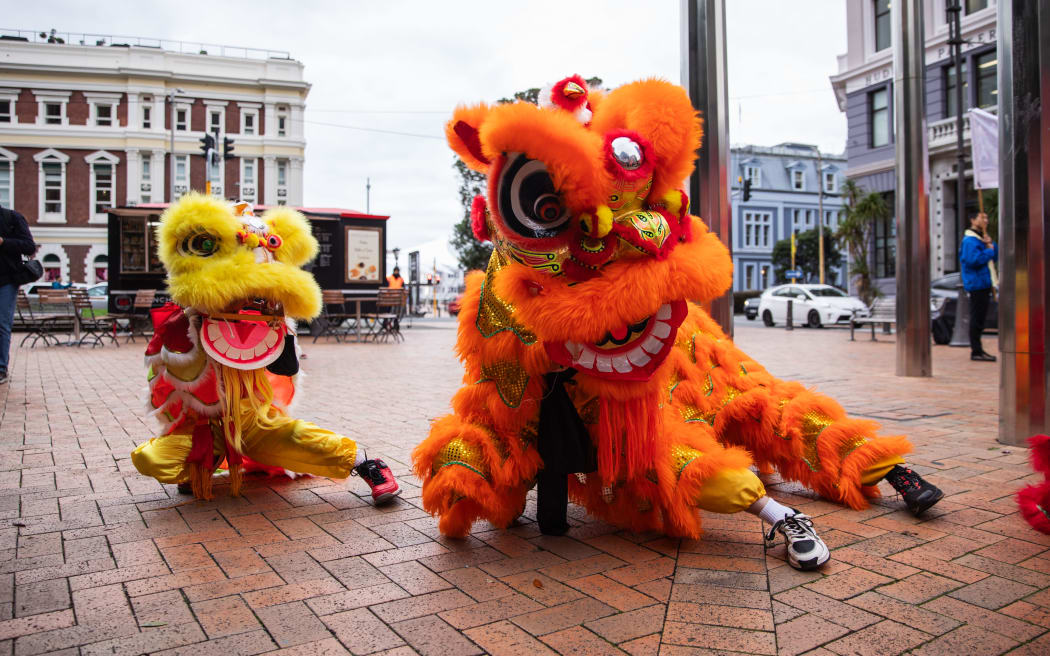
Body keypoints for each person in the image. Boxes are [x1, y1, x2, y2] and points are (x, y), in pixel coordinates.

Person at [0, 206, 37, 385]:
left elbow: (29, 247)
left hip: (6, 281)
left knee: (2, 324)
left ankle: (1, 368)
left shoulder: (12, 217)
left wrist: (3, 242)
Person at [960, 212, 998, 362]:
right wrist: (988, 250)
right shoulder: (970, 240)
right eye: (982, 218)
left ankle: (978, 350)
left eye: (987, 218)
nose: (986, 220)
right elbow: (973, 261)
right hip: (977, 284)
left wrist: (991, 244)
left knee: (980, 318)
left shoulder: (981, 239)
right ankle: (976, 351)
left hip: (985, 282)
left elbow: (993, 257)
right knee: (977, 318)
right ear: (973, 219)